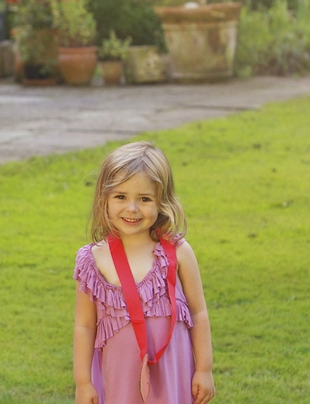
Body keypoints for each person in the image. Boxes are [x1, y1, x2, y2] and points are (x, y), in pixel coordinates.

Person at [73, 141, 215, 404]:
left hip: (173, 373)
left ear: (162, 202)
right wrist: (83, 383)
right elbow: (84, 326)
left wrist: (204, 369)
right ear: (103, 199)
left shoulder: (178, 252)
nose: (132, 209)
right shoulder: (92, 260)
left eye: (145, 199)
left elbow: (199, 312)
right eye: (120, 197)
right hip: (120, 378)